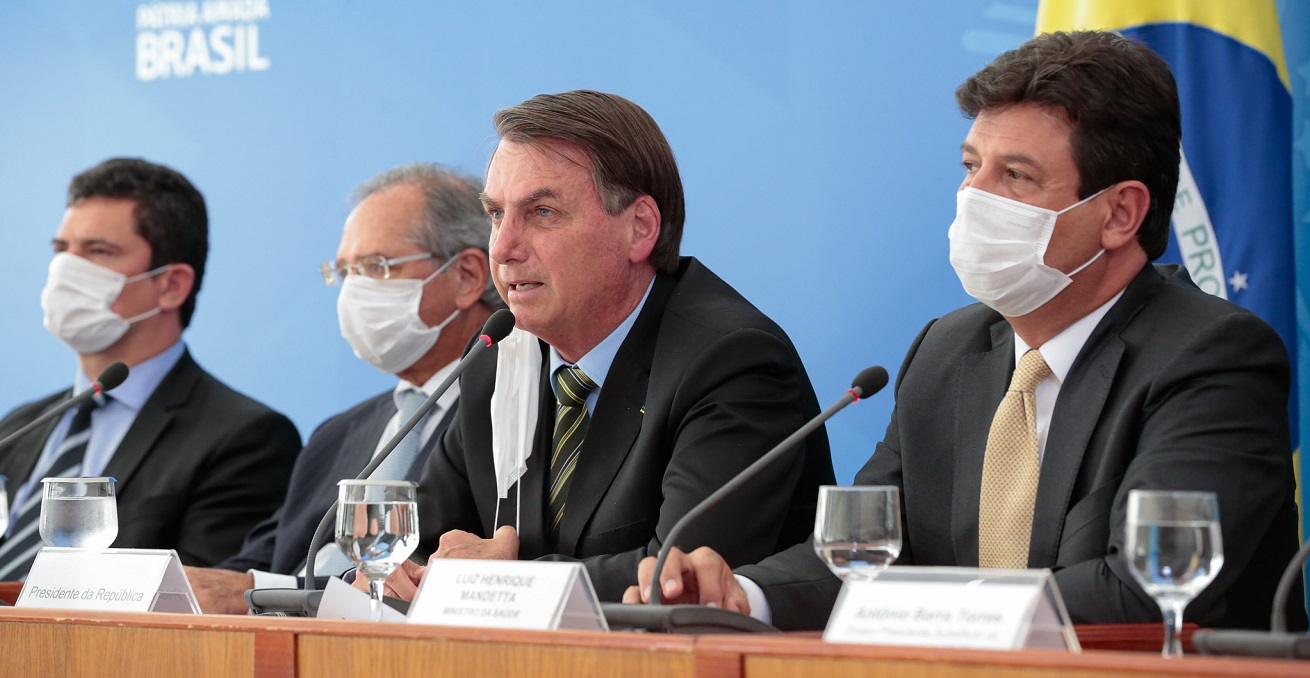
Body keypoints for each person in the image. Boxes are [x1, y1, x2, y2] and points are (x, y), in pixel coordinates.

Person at [626, 31, 1305, 632]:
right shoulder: (945, 352)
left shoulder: (1211, 357)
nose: (974, 197)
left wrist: (927, 608)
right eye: (969, 166)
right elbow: (862, 560)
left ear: (1120, 214)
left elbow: (1140, 591)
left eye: (1015, 175)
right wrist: (742, 596)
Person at [370, 90, 835, 604]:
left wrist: (501, 582)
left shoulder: (731, 359)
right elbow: (427, 550)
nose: (502, 248)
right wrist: (407, 575)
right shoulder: (499, 356)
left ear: (639, 228)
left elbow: (681, 578)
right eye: (497, 214)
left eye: (542, 212)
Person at [183, 163, 502, 613]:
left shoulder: (514, 413)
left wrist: (259, 594)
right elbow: (260, 562)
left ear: (468, 275)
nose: (354, 290)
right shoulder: (339, 433)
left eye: (376, 266)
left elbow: (421, 581)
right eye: (344, 271)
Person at [0, 158, 302, 580]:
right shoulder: (19, 428)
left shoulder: (246, 438)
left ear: (172, 284)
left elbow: (200, 604)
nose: (65, 270)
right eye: (61, 250)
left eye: (98, 252)